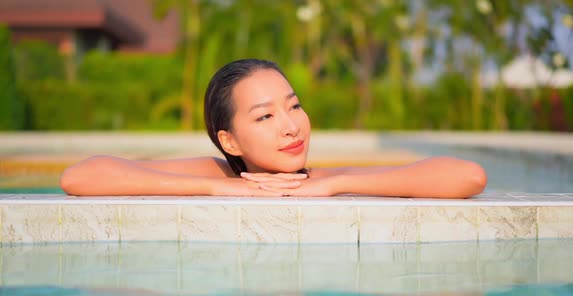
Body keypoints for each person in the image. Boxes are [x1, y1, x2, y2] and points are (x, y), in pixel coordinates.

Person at [60, 59, 487, 198]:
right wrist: (219, 189)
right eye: (265, 116)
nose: (291, 127)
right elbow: (79, 176)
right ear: (228, 139)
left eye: (294, 106)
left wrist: (335, 184)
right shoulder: (219, 174)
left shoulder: (321, 179)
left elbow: (469, 176)